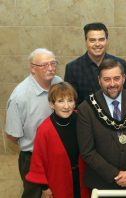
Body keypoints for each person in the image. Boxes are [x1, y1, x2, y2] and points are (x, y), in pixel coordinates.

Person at [77, 58, 126, 192]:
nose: (112, 84)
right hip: (100, 183)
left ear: (123, 78)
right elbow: (87, 151)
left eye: (116, 78)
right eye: (107, 79)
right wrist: (115, 174)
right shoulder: (86, 108)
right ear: (99, 80)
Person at [5, 48, 62, 198]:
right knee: (34, 194)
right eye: (44, 65)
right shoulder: (19, 97)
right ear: (32, 68)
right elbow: (12, 135)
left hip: (57, 155)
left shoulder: (58, 82)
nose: (50, 68)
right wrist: (33, 146)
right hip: (32, 158)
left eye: (53, 63)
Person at [26, 82, 89, 198]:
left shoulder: (82, 119)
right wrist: (44, 187)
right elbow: (38, 161)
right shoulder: (44, 130)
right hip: (58, 181)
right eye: (60, 101)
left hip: (84, 179)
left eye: (70, 100)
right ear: (51, 104)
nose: (66, 106)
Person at [64, 22, 126, 105]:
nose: (97, 44)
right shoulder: (72, 68)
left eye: (101, 39)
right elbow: (71, 102)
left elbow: (125, 95)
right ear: (85, 42)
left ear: (107, 41)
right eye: (92, 40)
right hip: (86, 116)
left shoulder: (120, 64)